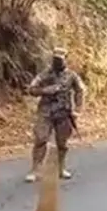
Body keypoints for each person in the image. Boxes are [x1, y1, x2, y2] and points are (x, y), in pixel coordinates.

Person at [25, 47, 86, 183]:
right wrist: (46, 90)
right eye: (55, 59)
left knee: (62, 143)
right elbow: (31, 89)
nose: (57, 62)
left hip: (63, 113)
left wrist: (77, 110)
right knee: (41, 139)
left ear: (65, 60)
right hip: (45, 112)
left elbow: (80, 90)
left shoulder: (71, 75)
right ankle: (35, 170)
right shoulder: (45, 74)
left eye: (60, 60)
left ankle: (61, 168)